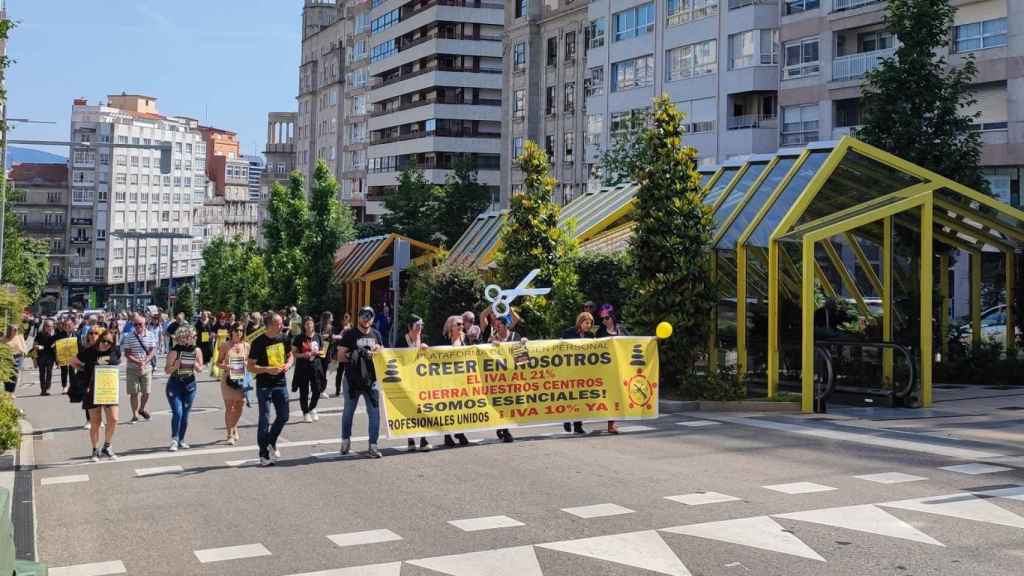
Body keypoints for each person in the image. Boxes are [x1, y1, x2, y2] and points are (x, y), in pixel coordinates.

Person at [247, 313, 294, 466]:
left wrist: (288, 365)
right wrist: (268, 369)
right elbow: (250, 366)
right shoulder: (258, 342)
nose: (283, 326)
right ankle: (263, 454)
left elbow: (290, 356)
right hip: (265, 385)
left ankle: (271, 441)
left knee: (284, 416)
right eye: (279, 323)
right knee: (265, 419)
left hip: (280, 383)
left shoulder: (284, 338)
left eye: (282, 323)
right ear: (270, 325)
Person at [338, 306, 384, 458]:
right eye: (364, 315)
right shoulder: (350, 334)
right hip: (352, 380)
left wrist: (378, 350)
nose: (366, 318)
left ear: (373, 318)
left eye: (369, 316)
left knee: (375, 413)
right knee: (348, 411)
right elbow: (340, 356)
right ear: (358, 317)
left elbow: (383, 354)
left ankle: (373, 445)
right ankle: (345, 440)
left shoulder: (376, 333)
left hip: (372, 380)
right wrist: (358, 356)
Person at [70, 327, 120, 462]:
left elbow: (117, 365)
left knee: (114, 419)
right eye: (103, 341)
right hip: (92, 390)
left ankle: (107, 446)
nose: (105, 344)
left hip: (109, 390)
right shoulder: (90, 351)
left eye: (109, 342)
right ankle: (94, 450)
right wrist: (84, 369)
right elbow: (73, 361)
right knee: (95, 422)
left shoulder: (116, 351)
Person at [164, 325, 204, 451]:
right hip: (175, 384)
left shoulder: (196, 351)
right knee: (178, 412)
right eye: (188, 337)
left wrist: (196, 365)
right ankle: (174, 439)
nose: (191, 339)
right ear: (182, 337)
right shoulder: (175, 351)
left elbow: (201, 369)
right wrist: (175, 366)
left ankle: (181, 439)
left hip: (190, 385)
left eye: (192, 336)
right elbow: (166, 370)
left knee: (185, 414)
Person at [489, 314, 524, 443]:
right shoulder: (493, 338)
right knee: (502, 403)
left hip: (513, 377)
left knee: (512, 403)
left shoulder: (515, 336)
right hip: (499, 378)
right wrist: (491, 345)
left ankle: (503, 427)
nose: (497, 328)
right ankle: (505, 429)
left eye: (499, 325)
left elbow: (522, 358)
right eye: (495, 325)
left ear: (505, 325)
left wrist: (523, 343)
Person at [399, 316, 432, 452]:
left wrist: (427, 351)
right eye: (417, 325)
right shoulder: (401, 340)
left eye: (421, 325)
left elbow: (432, 358)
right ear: (410, 326)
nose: (420, 328)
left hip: (421, 380)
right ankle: (411, 439)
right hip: (406, 380)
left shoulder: (424, 339)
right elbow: (394, 356)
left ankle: (423, 440)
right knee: (410, 409)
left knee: (423, 408)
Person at [561, 312, 595, 435]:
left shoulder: (591, 335)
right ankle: (566, 420)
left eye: (590, 323)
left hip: (583, 371)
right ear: (580, 322)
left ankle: (578, 425)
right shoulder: (568, 333)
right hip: (569, 370)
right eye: (586, 323)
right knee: (569, 397)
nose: (589, 325)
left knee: (580, 398)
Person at [594, 304, 624, 434]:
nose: (604, 321)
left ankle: (612, 423)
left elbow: (634, 341)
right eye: (602, 319)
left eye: (607, 318)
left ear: (612, 317)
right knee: (609, 395)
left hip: (620, 367)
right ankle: (610, 424)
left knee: (616, 395)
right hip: (605, 369)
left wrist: (652, 340)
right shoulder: (600, 332)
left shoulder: (621, 329)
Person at [122, 312, 157, 424]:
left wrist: (145, 361)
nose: (138, 326)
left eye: (140, 324)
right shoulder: (129, 336)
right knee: (134, 393)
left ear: (145, 324)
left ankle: (141, 408)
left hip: (146, 367)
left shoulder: (151, 335)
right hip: (132, 368)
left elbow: (152, 351)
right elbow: (127, 353)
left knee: (147, 392)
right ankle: (135, 415)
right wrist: (138, 362)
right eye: (135, 324)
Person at [441, 315, 470, 447]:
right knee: (448, 408)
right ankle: (447, 435)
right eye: (458, 324)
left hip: (462, 380)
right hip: (447, 379)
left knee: (461, 407)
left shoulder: (466, 340)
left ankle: (460, 431)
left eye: (462, 324)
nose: (461, 327)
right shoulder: (443, 341)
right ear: (450, 327)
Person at [217, 322, 249, 444]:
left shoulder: (246, 346)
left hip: (241, 379)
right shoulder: (225, 345)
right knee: (230, 407)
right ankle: (229, 433)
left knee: (240, 405)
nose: (239, 333)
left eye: (241, 330)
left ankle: (234, 425)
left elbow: (251, 362)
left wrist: (247, 364)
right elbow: (218, 362)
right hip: (228, 379)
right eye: (236, 330)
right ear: (232, 332)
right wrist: (227, 366)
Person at [292, 317, 325, 423]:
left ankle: (312, 408)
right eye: (307, 324)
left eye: (310, 323)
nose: (309, 326)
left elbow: (323, 351)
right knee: (304, 391)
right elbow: (294, 353)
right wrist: (303, 355)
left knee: (317, 390)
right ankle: (305, 412)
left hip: (316, 367)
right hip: (303, 368)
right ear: (304, 326)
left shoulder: (318, 336)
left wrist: (319, 353)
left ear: (313, 324)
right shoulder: (299, 338)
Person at [34, 319, 59, 396]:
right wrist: (37, 346)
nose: (49, 328)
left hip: (50, 356)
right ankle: (43, 390)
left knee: (49, 372)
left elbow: (57, 346)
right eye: (48, 326)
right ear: (44, 326)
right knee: (42, 373)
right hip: (41, 356)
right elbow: (35, 344)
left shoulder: (55, 335)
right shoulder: (40, 334)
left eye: (51, 326)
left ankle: (47, 387)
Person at [2, 326, 28, 394]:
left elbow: (24, 346)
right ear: (9, 331)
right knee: (8, 374)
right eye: (14, 330)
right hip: (7, 357)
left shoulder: (19, 337)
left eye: (16, 330)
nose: (15, 332)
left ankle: (12, 391)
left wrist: (24, 352)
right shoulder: (4, 338)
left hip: (18, 357)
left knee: (15, 373)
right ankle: (7, 390)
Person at [332, 312, 352, 396]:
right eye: (345, 317)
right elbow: (335, 338)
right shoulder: (338, 328)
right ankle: (337, 390)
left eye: (347, 317)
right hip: (340, 351)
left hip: (349, 352)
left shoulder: (351, 328)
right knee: (340, 371)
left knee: (349, 372)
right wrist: (343, 331)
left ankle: (348, 390)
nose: (346, 319)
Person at [318, 312, 334, 399]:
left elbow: (332, 341)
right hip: (319, 349)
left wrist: (330, 338)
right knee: (318, 370)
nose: (332, 319)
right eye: (331, 317)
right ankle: (318, 389)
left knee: (324, 370)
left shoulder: (331, 328)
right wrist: (321, 337)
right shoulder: (318, 326)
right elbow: (314, 337)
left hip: (327, 350)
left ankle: (321, 390)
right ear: (327, 318)